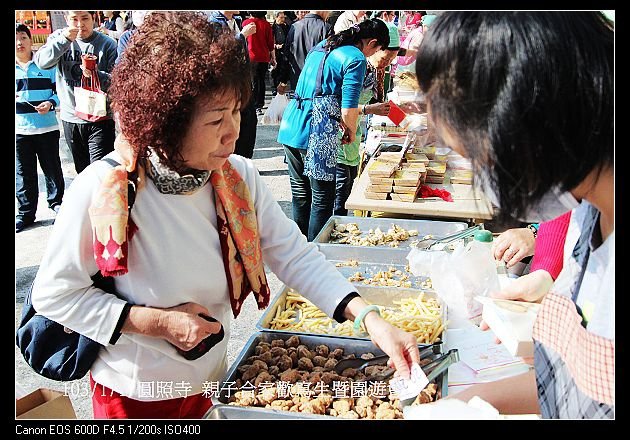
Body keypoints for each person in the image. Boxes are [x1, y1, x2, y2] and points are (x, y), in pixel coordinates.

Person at [29, 12, 420, 420]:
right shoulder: (106, 189)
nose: (233, 132)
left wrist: (372, 320)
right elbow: (55, 295)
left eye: (237, 112)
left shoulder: (237, 178)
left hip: (211, 379)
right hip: (134, 393)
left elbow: (294, 255)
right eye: (216, 119)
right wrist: (154, 323)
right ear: (166, 122)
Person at [415, 12, 613, 418]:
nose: (481, 180)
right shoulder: (586, 213)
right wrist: (463, 404)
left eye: (476, 158)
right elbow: (567, 382)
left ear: (526, 129)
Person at [277, 19, 390, 240]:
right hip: (317, 130)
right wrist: (349, 131)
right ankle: (317, 253)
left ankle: (299, 249)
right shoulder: (355, 58)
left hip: (292, 124)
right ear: (372, 42)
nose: (372, 55)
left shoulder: (324, 45)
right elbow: (349, 107)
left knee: (301, 194)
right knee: (322, 198)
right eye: (376, 50)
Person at [34, 11, 117, 175]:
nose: (80, 24)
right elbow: (41, 62)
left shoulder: (107, 44)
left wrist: (94, 73)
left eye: (85, 18)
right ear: (66, 19)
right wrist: (64, 40)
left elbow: (117, 83)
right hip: (71, 117)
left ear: (93, 18)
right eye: (74, 19)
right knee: (83, 173)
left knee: (101, 172)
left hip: (100, 118)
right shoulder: (58, 38)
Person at [334, 20, 399, 216]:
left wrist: (405, 115)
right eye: (385, 58)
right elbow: (341, 105)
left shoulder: (375, 71)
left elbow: (381, 103)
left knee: (348, 185)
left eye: (391, 61)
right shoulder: (356, 65)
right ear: (375, 47)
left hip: (352, 134)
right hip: (340, 133)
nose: (387, 64)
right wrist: (370, 109)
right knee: (340, 191)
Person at [15, 24, 65, 233]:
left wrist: (51, 103)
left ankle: (57, 206)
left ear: (30, 39)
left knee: (52, 169)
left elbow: (59, 92)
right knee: (23, 173)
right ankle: (26, 213)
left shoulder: (45, 65)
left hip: (47, 128)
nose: (19, 43)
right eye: (16, 39)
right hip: (20, 130)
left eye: (23, 38)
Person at [208, 10, 258, 159]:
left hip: (242, 84)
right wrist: (242, 36)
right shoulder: (213, 23)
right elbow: (219, 51)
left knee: (248, 124)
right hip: (227, 86)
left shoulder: (235, 20)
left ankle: (244, 163)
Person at [279, 11, 332, 93]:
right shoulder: (326, 28)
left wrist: (283, 80)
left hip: (297, 78)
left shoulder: (294, 27)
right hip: (317, 79)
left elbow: (287, 55)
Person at [242, 11, 275, 114]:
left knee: (253, 81)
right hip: (264, 56)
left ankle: (254, 104)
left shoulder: (245, 23)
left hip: (251, 56)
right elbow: (270, 43)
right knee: (261, 80)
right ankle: (260, 104)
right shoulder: (266, 25)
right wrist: (273, 58)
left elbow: (243, 40)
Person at [271, 11, 290, 93]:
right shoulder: (273, 28)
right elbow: (270, 40)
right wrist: (275, 45)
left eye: (284, 18)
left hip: (284, 51)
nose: (283, 19)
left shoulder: (286, 27)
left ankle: (281, 86)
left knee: (283, 70)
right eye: (281, 17)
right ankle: (274, 88)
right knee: (275, 71)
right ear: (276, 18)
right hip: (276, 52)